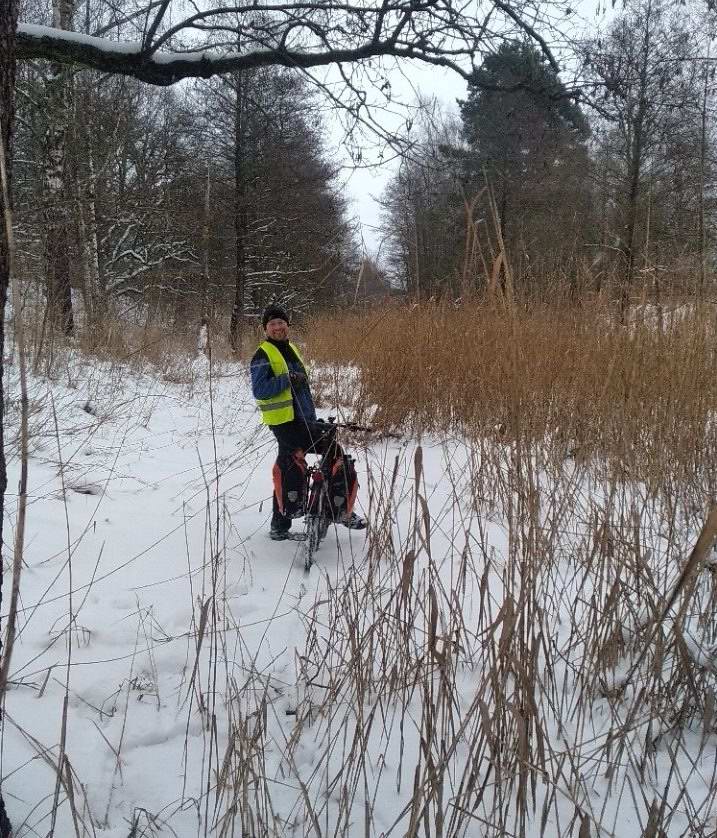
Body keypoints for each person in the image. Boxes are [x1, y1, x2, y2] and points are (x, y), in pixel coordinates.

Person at [250, 303, 367, 540]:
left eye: (281, 323)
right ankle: (280, 526)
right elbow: (260, 390)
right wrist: (286, 379)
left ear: (287, 325)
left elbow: (301, 388)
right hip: (283, 423)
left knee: (334, 452)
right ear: (265, 329)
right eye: (272, 324)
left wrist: (312, 417)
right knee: (290, 465)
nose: (277, 327)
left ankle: (339, 509)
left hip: (304, 419)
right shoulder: (263, 354)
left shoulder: (291, 348)